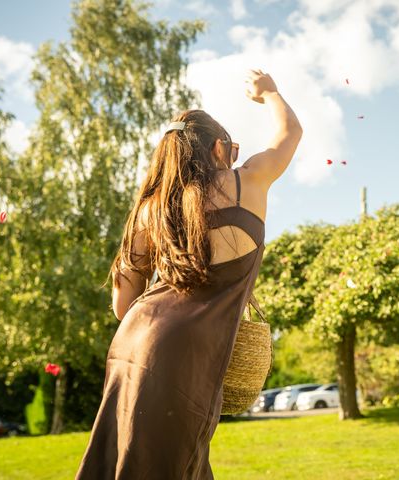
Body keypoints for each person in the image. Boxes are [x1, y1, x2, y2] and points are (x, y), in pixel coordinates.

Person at [75, 69, 302, 479]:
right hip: (185, 355)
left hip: (133, 343)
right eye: (231, 151)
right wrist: (269, 92)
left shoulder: (150, 209)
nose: (233, 158)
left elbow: (123, 305)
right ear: (219, 148)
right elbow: (290, 133)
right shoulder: (247, 182)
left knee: (145, 462)